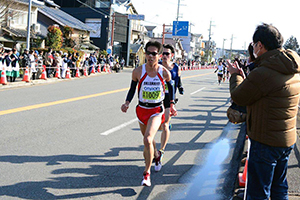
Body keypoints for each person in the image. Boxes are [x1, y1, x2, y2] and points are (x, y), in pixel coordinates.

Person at [227, 23, 300, 200]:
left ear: (260, 45)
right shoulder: (292, 66)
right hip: (286, 139)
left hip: (265, 141)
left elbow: (239, 97)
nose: (253, 48)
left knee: (258, 192)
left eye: (253, 45)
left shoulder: (265, 71)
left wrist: (236, 75)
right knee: (279, 187)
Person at [121, 41, 177, 187]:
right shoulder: (138, 71)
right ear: (145, 54)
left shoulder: (164, 72)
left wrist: (171, 105)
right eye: (148, 53)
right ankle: (157, 156)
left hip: (156, 111)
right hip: (141, 110)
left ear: (158, 55)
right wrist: (127, 102)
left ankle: (147, 174)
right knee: (149, 141)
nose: (150, 56)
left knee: (147, 139)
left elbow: (170, 89)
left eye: (154, 54)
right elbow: (132, 89)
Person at [156, 44, 184, 171]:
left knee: (165, 125)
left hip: (169, 99)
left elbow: (177, 81)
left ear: (172, 55)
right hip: (156, 98)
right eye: (163, 54)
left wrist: (180, 88)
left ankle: (161, 151)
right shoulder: (157, 67)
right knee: (158, 126)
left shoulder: (176, 68)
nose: (165, 56)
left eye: (167, 54)